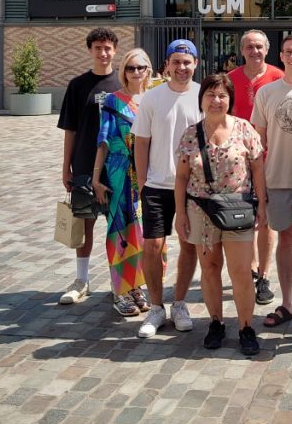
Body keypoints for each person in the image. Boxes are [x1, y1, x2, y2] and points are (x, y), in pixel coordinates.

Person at [174, 74, 268, 356]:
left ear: (230, 100)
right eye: (210, 95)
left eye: (222, 96)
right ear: (201, 99)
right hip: (200, 210)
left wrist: (262, 204)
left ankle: (246, 327)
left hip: (237, 209)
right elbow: (180, 177)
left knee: (240, 272)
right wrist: (181, 214)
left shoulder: (245, 129)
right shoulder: (191, 134)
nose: (216, 101)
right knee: (210, 269)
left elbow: (258, 170)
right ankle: (216, 322)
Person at [131, 39, 202, 338]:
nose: (182, 67)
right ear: (167, 65)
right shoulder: (151, 97)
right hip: (158, 184)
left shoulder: (203, 95)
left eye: (187, 62)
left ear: (195, 64)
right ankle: (157, 307)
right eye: (176, 62)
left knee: (188, 244)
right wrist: (143, 180)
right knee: (153, 246)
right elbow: (142, 140)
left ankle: (180, 303)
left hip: (192, 186)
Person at [250, 34, 292, 329]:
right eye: (288, 52)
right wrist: (258, 186)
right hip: (277, 177)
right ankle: (288, 303)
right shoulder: (266, 93)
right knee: (284, 240)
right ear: (281, 56)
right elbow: (257, 143)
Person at [57, 28, 121, 305]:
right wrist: (65, 167)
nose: (103, 53)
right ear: (90, 50)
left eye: (107, 48)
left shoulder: (123, 82)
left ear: (115, 50)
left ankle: (119, 282)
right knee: (85, 225)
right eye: (98, 48)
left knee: (118, 228)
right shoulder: (77, 85)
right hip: (83, 165)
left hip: (118, 168)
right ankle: (81, 281)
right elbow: (70, 129)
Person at [92, 48, 153, 316]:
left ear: (148, 70)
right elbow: (102, 142)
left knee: (144, 232)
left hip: (148, 174)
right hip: (118, 173)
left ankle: (137, 286)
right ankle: (120, 290)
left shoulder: (153, 99)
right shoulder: (113, 101)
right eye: (131, 68)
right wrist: (96, 178)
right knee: (120, 231)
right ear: (123, 71)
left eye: (141, 67)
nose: (136, 72)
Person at [227, 29, 284, 307]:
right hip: (237, 162)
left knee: (266, 218)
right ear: (242, 50)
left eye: (259, 46)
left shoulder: (278, 78)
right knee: (243, 215)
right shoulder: (230, 80)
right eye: (249, 46)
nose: (255, 51)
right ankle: (249, 270)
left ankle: (264, 274)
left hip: (271, 158)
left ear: (267, 49)